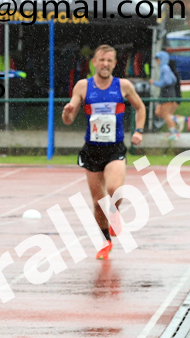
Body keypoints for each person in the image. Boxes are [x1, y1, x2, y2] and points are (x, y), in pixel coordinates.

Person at [62, 44, 146, 260]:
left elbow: (140, 107)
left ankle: (115, 212)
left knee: (115, 189)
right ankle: (106, 240)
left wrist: (138, 131)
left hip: (114, 148)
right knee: (98, 203)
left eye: (109, 60)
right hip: (91, 150)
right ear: (94, 63)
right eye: (101, 60)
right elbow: (69, 119)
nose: (105, 64)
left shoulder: (123, 86)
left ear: (115, 64)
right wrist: (67, 113)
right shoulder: (82, 86)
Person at [150, 51, 181, 141]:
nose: (157, 61)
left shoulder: (165, 68)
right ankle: (176, 119)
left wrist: (155, 83)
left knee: (166, 114)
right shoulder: (165, 68)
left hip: (167, 93)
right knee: (158, 112)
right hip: (164, 93)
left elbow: (168, 81)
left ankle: (174, 132)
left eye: (158, 59)